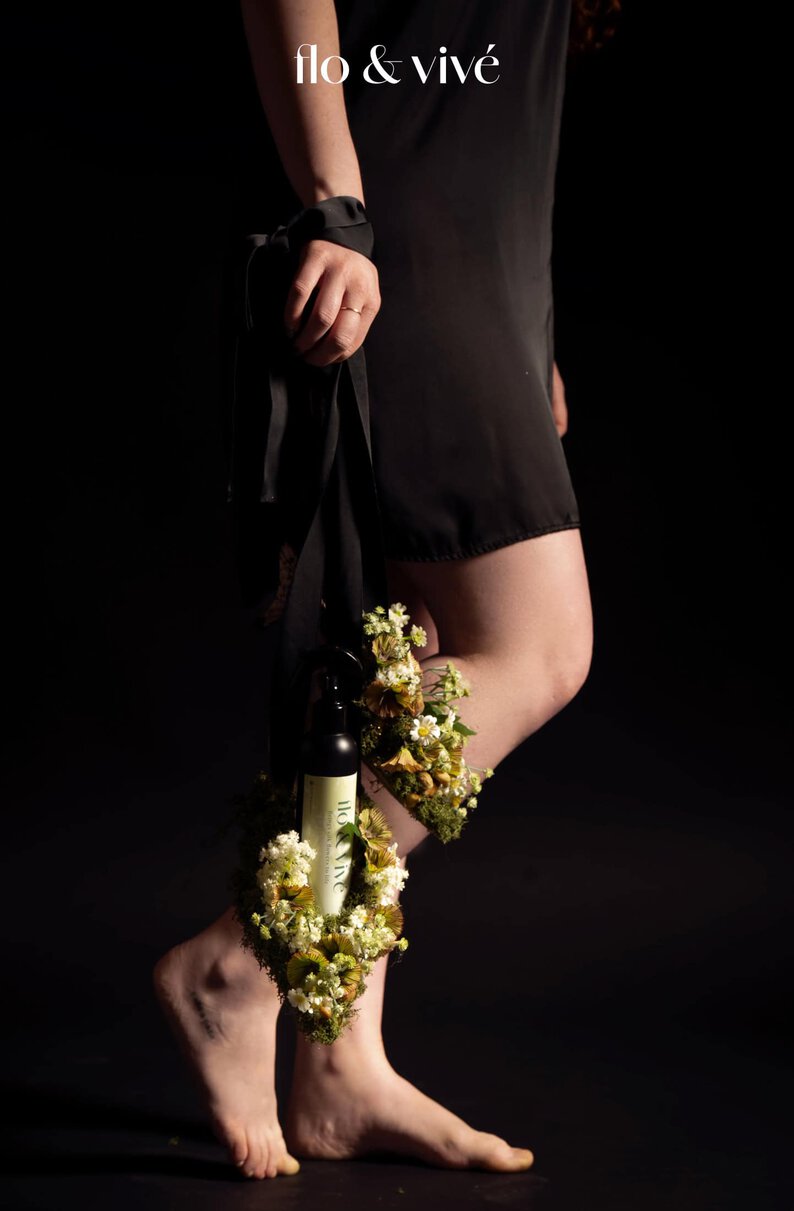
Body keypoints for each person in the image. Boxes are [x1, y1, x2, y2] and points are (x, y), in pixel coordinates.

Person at [153, 0, 600, 1181]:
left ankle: (337, 1064)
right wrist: (336, 209)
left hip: (474, 263)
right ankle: (243, 959)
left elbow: (501, 90)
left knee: (400, 657)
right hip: (392, 235)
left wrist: (524, 319)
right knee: (533, 645)